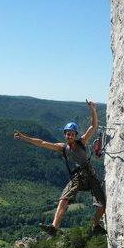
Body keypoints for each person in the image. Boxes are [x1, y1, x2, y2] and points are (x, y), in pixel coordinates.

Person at [13, 100, 106, 235]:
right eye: (68, 134)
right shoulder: (62, 148)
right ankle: (54, 227)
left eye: (72, 134)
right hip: (77, 177)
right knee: (63, 199)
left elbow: (93, 126)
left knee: (102, 205)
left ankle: (94, 225)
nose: (70, 136)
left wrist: (93, 110)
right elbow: (42, 143)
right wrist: (23, 138)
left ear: (75, 135)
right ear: (65, 135)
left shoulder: (82, 142)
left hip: (90, 175)